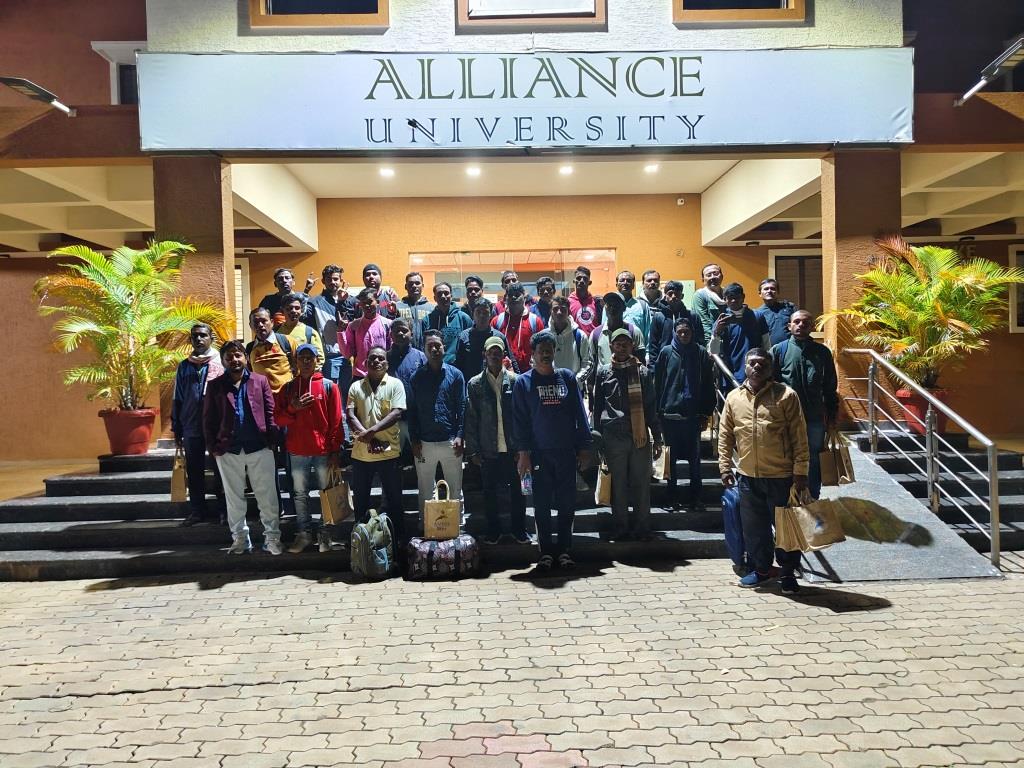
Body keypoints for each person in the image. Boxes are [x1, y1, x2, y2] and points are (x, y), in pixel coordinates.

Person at [719, 348, 809, 594]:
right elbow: (725, 435)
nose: (757, 367)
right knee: (754, 529)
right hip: (748, 477)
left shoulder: (786, 396)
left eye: (762, 364)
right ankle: (761, 570)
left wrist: (801, 472)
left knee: (786, 528)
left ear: (770, 368)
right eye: (752, 363)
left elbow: (799, 437)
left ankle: (789, 573)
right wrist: (725, 466)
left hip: (781, 477)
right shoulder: (734, 398)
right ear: (745, 367)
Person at [512, 330, 593, 570]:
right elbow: (519, 421)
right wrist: (523, 453)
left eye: (549, 350)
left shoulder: (566, 378)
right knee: (542, 505)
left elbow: (579, 413)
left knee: (567, 504)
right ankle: (546, 552)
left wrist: (585, 446)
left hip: (566, 452)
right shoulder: (523, 382)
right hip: (539, 455)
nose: (546, 354)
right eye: (541, 351)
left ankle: (565, 550)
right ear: (533, 355)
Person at [203, 339, 282, 555]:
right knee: (233, 497)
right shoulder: (215, 385)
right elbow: (208, 419)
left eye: (238, 355)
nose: (234, 359)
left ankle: (272, 538)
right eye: (229, 356)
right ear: (223, 361)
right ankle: (239, 539)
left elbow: (270, 412)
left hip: (259, 446)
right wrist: (214, 447)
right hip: (228, 449)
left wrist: (271, 441)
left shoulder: (260, 381)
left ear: (245, 358)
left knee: (267, 496)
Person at [592, 328, 663, 541]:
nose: (622, 348)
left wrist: (657, 435)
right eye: (618, 344)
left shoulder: (642, 372)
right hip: (614, 437)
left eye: (626, 344)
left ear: (632, 346)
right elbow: (597, 406)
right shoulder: (604, 372)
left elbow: (650, 406)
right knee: (619, 486)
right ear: (612, 346)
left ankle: (642, 528)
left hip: (639, 435)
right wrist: (596, 434)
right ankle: (621, 527)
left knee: (641, 484)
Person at [274, 343, 343, 553]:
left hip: (322, 451)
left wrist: (334, 450)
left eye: (309, 357)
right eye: (301, 357)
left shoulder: (329, 386)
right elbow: (278, 419)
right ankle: (304, 534)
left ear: (316, 361)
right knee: (300, 494)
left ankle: (325, 537)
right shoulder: (287, 388)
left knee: (326, 493)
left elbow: (337, 421)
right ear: (295, 362)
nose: (305, 361)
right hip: (297, 450)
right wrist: (292, 408)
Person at [465, 336, 529, 545]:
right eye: (490, 351)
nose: (494, 354)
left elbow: (523, 416)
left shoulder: (516, 380)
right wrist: (473, 450)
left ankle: (519, 529)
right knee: (489, 492)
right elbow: (472, 418)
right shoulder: (475, 384)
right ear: (484, 354)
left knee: (518, 492)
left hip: (513, 447)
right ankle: (493, 530)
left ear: (504, 355)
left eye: (498, 351)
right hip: (488, 448)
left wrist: (524, 447)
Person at [769, 309, 839, 499]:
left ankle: (812, 497)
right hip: (785, 418)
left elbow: (830, 386)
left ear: (812, 327)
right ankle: (787, 498)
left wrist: (832, 417)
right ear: (789, 326)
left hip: (814, 417)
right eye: (797, 322)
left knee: (813, 458)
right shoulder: (778, 350)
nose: (801, 325)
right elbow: (769, 384)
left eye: (805, 323)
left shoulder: (822, 353)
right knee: (785, 457)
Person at [654, 317, 716, 511]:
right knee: (670, 460)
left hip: (692, 416)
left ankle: (696, 498)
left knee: (695, 461)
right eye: (679, 332)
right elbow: (658, 383)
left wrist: (706, 412)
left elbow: (707, 384)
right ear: (674, 332)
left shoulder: (700, 353)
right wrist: (657, 411)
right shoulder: (665, 353)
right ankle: (671, 497)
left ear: (692, 332)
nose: (683, 335)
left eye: (686, 332)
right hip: (669, 415)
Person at [347, 345, 407, 544]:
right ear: (365, 363)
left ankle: (396, 543)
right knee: (361, 501)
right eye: (372, 358)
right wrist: (368, 436)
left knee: (394, 501)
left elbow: (397, 413)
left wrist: (372, 431)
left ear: (387, 363)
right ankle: (361, 543)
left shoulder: (395, 384)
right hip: (361, 455)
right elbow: (350, 415)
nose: (376, 362)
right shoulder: (356, 386)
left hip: (389, 454)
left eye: (381, 358)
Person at [171, 323, 226, 527]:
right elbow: (178, 397)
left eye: (203, 335)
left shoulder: (221, 362)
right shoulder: (184, 366)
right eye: (195, 336)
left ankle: (224, 511)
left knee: (221, 470)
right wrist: (177, 426)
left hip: (216, 425)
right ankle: (197, 511)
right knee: (194, 471)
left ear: (211, 338)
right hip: (191, 425)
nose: (199, 339)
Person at [409, 330, 467, 515]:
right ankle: (426, 526)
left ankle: (456, 526)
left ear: (444, 347)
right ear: (424, 350)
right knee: (425, 490)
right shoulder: (416, 378)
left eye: (438, 346)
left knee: (454, 489)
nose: (434, 349)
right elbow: (412, 411)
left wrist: (460, 436)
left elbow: (462, 407)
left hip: (450, 441)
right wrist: (414, 440)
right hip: (424, 442)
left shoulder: (456, 375)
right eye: (430, 346)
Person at [302, 264, 357, 409]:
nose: (333, 282)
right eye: (329, 279)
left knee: (347, 395)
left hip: (349, 357)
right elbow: (301, 315)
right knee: (332, 396)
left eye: (336, 279)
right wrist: (306, 290)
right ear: (323, 281)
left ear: (341, 280)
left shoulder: (350, 300)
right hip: (330, 356)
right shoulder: (315, 302)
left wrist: (343, 302)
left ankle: (345, 428)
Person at [709, 283, 770, 385]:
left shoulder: (757, 316)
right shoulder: (722, 320)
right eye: (730, 298)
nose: (734, 301)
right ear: (724, 299)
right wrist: (717, 332)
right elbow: (713, 351)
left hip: (756, 372)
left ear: (743, 297)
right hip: (730, 374)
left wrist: (768, 369)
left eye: (737, 297)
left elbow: (767, 345)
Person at [386, 318, 427, 457]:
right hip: (391, 419)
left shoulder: (421, 357)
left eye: (405, 330)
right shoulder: (384, 359)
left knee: (421, 457)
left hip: (415, 418)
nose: (401, 334)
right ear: (390, 335)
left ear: (412, 334)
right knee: (392, 459)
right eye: (396, 331)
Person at [454, 298, 518, 382]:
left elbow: (512, 361)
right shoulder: (463, 337)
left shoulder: (499, 337)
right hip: (470, 386)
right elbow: (458, 365)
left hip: (495, 385)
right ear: (473, 314)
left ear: (491, 315)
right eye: (478, 312)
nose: (482, 316)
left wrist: (518, 380)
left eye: (485, 312)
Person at [648, 279, 703, 368]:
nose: (673, 296)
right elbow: (653, 345)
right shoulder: (658, 317)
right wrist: (653, 368)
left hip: (690, 362)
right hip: (665, 363)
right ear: (665, 296)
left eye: (677, 293)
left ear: (682, 296)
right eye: (670, 294)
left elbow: (700, 341)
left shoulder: (693, 316)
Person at [339, 288, 392, 380]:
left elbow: (391, 350)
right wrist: (340, 331)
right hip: (360, 375)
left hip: (382, 374)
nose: (367, 305)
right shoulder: (353, 326)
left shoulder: (387, 324)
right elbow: (347, 353)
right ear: (360, 305)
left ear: (378, 302)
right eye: (363, 302)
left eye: (370, 301)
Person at [492, 282, 545, 373]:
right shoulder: (497, 321)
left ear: (524, 297)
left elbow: (542, 348)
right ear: (506, 298)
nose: (513, 298)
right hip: (502, 372)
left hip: (529, 373)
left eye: (517, 295)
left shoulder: (535, 321)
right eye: (510, 295)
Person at [590, 291, 645, 371]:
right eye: (609, 305)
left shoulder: (634, 331)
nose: (612, 308)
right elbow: (592, 363)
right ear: (605, 307)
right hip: (604, 381)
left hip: (629, 381)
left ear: (624, 308)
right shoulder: (596, 334)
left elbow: (641, 363)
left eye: (616, 305)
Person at [422, 282, 474, 364]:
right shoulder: (427, 320)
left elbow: (471, 344)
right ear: (435, 298)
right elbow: (423, 346)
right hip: (434, 367)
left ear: (451, 296)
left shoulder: (464, 318)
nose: (443, 296)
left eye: (446, 293)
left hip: (459, 367)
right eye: (439, 294)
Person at [549, 295, 593, 387]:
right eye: (555, 309)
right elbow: (535, 361)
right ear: (550, 311)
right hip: (550, 389)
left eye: (563, 309)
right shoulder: (544, 336)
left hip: (574, 389)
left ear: (569, 312)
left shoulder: (580, 336)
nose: (559, 312)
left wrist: (576, 381)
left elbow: (588, 363)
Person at [247, 307, 294, 393]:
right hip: (263, 400)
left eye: (264, 321)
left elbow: (299, 368)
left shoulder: (286, 342)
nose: (260, 325)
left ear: (272, 323)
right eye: (256, 322)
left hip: (287, 398)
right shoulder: (249, 349)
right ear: (251, 326)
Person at [276, 292, 324, 365]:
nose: (293, 311)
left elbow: (319, 359)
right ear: (283, 311)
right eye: (289, 308)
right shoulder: (276, 332)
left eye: (297, 308)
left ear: (302, 311)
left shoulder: (310, 332)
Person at [395, 271, 434, 350]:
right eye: (410, 284)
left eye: (417, 283)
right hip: (403, 352)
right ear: (406, 286)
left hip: (426, 352)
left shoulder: (431, 308)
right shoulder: (397, 306)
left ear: (422, 286)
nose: (414, 286)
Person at [755, 278, 797, 347]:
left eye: (772, 288)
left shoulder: (789, 308)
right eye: (766, 289)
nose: (769, 291)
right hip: (769, 352)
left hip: (789, 350)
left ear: (778, 292)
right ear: (760, 294)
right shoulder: (757, 314)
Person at [692, 263, 727, 342]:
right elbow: (704, 323)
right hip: (712, 340)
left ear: (721, 276)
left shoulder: (728, 294)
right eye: (708, 275)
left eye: (715, 273)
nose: (713, 277)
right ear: (703, 280)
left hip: (729, 340)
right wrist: (711, 346)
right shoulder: (700, 295)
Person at [617, 270, 653, 344]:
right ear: (616, 284)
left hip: (637, 349)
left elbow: (648, 332)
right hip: (615, 350)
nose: (625, 283)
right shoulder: (610, 305)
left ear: (633, 285)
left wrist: (647, 353)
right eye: (622, 280)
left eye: (629, 281)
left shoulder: (643, 305)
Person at [568, 265, 603, 336]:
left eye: (585, 279)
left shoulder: (597, 303)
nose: (581, 281)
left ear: (589, 282)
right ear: (574, 281)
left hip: (593, 343)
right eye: (578, 278)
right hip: (576, 343)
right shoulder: (568, 302)